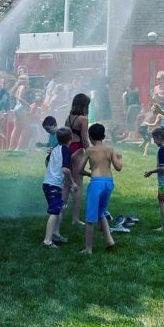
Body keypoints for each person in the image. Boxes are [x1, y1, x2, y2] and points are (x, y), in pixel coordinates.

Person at [80, 122, 122, 255]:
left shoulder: (89, 151)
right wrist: (119, 159)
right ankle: (110, 241)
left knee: (90, 218)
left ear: (90, 137)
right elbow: (118, 167)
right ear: (103, 136)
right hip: (108, 183)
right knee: (101, 212)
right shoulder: (110, 149)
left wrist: (89, 173)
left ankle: (88, 249)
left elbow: (79, 169)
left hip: (96, 183)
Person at [42, 125, 72, 247]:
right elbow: (65, 169)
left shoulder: (55, 148)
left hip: (47, 183)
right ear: (71, 139)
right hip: (53, 185)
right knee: (54, 212)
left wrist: (51, 171)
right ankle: (47, 241)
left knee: (59, 208)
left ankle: (55, 233)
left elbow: (47, 161)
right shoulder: (66, 150)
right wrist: (72, 183)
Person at [65, 93, 92, 227]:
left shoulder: (68, 118)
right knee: (78, 185)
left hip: (68, 149)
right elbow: (85, 140)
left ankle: (60, 213)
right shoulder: (83, 119)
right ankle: (75, 218)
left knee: (67, 184)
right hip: (78, 150)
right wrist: (92, 156)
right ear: (84, 105)